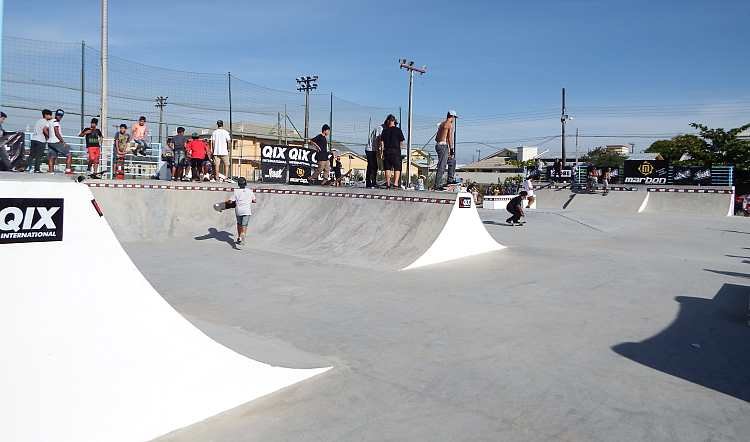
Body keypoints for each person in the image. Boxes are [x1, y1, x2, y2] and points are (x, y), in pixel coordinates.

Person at [225, 177, 256, 249]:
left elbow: (230, 201)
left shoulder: (236, 191)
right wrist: (248, 200)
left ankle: (239, 238)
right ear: (245, 184)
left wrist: (227, 203)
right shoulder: (250, 191)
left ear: (238, 184)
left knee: (239, 224)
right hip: (247, 211)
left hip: (238, 211)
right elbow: (254, 200)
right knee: (244, 224)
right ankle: (243, 235)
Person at [378, 114, 404, 189]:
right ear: (394, 121)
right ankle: (395, 184)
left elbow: (382, 143)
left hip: (387, 151)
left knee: (387, 168)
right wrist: (400, 149)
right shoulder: (398, 130)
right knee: (397, 168)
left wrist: (381, 153)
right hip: (396, 151)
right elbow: (401, 142)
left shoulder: (384, 131)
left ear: (388, 121)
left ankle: (388, 184)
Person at [434, 110, 458, 189]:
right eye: (454, 118)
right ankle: (437, 185)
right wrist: (451, 149)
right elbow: (449, 137)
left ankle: (450, 180)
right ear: (452, 117)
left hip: (439, 145)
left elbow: (436, 138)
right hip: (443, 146)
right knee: (442, 165)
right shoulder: (449, 125)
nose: (454, 120)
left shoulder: (441, 124)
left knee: (452, 161)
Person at [47, 109, 72, 174]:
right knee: (69, 155)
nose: (59, 117)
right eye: (58, 115)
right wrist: (63, 142)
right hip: (56, 141)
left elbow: (44, 129)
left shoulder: (50, 121)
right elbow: (57, 133)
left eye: (61, 116)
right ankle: (68, 171)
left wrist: (49, 136)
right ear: (56, 115)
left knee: (52, 157)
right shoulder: (55, 122)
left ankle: (51, 172)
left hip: (50, 142)